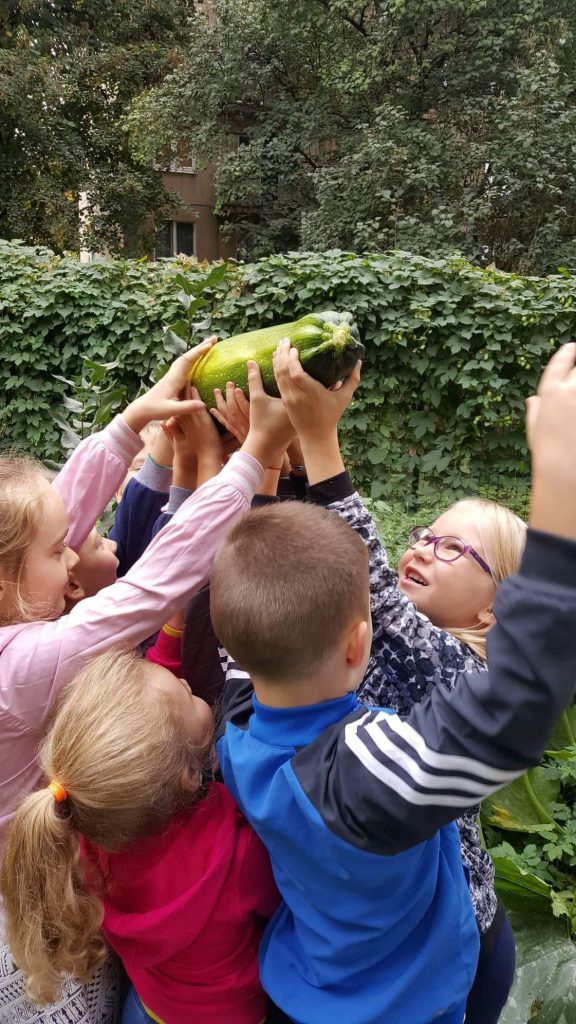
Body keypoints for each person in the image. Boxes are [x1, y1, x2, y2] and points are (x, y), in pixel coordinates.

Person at [211, 340, 576, 1024]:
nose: (422, 548)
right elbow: (510, 704)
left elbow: (273, 598)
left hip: (314, 979)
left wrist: (275, 460)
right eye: (425, 535)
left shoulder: (239, 730)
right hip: (419, 989)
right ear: (358, 643)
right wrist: (563, 493)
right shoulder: (364, 776)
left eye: (453, 547)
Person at [0, 342, 293, 1021]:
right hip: (30, 887)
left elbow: (41, 524)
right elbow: (155, 586)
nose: (73, 556)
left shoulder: (13, 615)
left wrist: (131, 424)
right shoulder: (24, 667)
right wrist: (254, 459)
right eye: (59, 552)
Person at [1, 646, 279, 1024]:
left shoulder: (91, 836)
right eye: (188, 696)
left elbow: (147, 728)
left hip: (150, 1004)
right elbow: (276, 905)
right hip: (228, 1013)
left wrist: (172, 638)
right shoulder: (237, 852)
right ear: (189, 777)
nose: (186, 683)